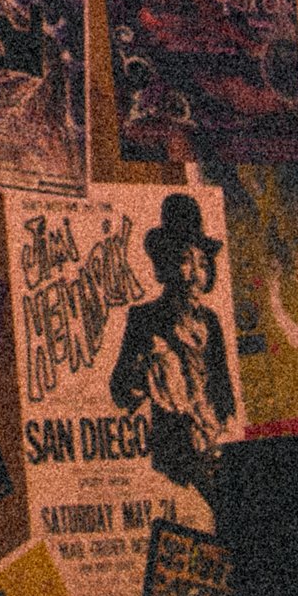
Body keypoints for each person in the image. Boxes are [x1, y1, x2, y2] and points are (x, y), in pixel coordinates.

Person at [110, 195, 238, 500]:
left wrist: (219, 427)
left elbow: (225, 391)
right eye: (185, 261)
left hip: (216, 449)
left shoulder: (211, 321)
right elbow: (120, 391)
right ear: (166, 263)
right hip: (175, 463)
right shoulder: (144, 318)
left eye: (202, 264)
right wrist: (147, 374)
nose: (195, 274)